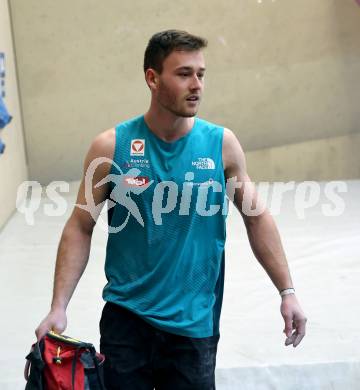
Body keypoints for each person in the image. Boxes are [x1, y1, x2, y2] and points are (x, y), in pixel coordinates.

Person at [35, 29, 307, 389]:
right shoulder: (111, 147)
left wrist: (287, 292)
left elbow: (257, 218)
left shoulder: (221, 146)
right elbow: (80, 225)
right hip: (126, 322)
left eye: (201, 74)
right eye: (183, 74)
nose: (196, 85)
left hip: (194, 328)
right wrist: (59, 306)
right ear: (152, 78)